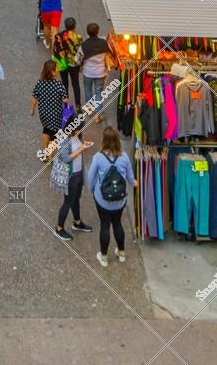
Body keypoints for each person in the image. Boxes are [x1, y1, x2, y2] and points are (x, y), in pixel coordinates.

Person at [88, 127, 136, 266]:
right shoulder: (124, 157)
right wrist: (134, 183)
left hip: (103, 200)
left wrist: (92, 190)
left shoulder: (98, 157)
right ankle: (121, 253)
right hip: (119, 201)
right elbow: (130, 177)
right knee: (117, 224)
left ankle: (103, 257)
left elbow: (91, 177)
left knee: (105, 226)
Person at [53, 132, 94, 241]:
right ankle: (59, 228)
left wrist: (83, 145)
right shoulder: (65, 139)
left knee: (76, 199)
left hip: (78, 173)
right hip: (71, 176)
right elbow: (66, 158)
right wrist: (81, 149)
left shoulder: (77, 135)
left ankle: (77, 222)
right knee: (68, 201)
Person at [76, 23, 112, 121]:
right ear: (98, 31)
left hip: (88, 72)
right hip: (101, 72)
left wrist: (79, 66)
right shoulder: (104, 43)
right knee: (98, 92)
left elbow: (78, 59)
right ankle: (98, 115)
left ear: (88, 33)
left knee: (87, 89)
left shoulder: (84, 45)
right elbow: (110, 53)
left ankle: (89, 108)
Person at [31, 59, 66, 153]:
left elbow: (34, 97)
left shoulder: (40, 82)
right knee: (53, 135)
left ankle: (45, 152)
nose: (58, 70)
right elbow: (64, 99)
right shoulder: (58, 84)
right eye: (56, 69)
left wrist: (32, 109)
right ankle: (50, 157)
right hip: (55, 114)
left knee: (45, 130)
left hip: (43, 113)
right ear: (52, 72)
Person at [53, 16, 83, 109]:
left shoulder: (59, 36)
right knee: (76, 84)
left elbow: (56, 50)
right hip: (74, 64)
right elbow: (80, 52)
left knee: (64, 84)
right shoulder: (78, 37)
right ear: (74, 27)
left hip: (63, 63)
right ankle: (78, 105)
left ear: (65, 26)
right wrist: (81, 64)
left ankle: (66, 104)